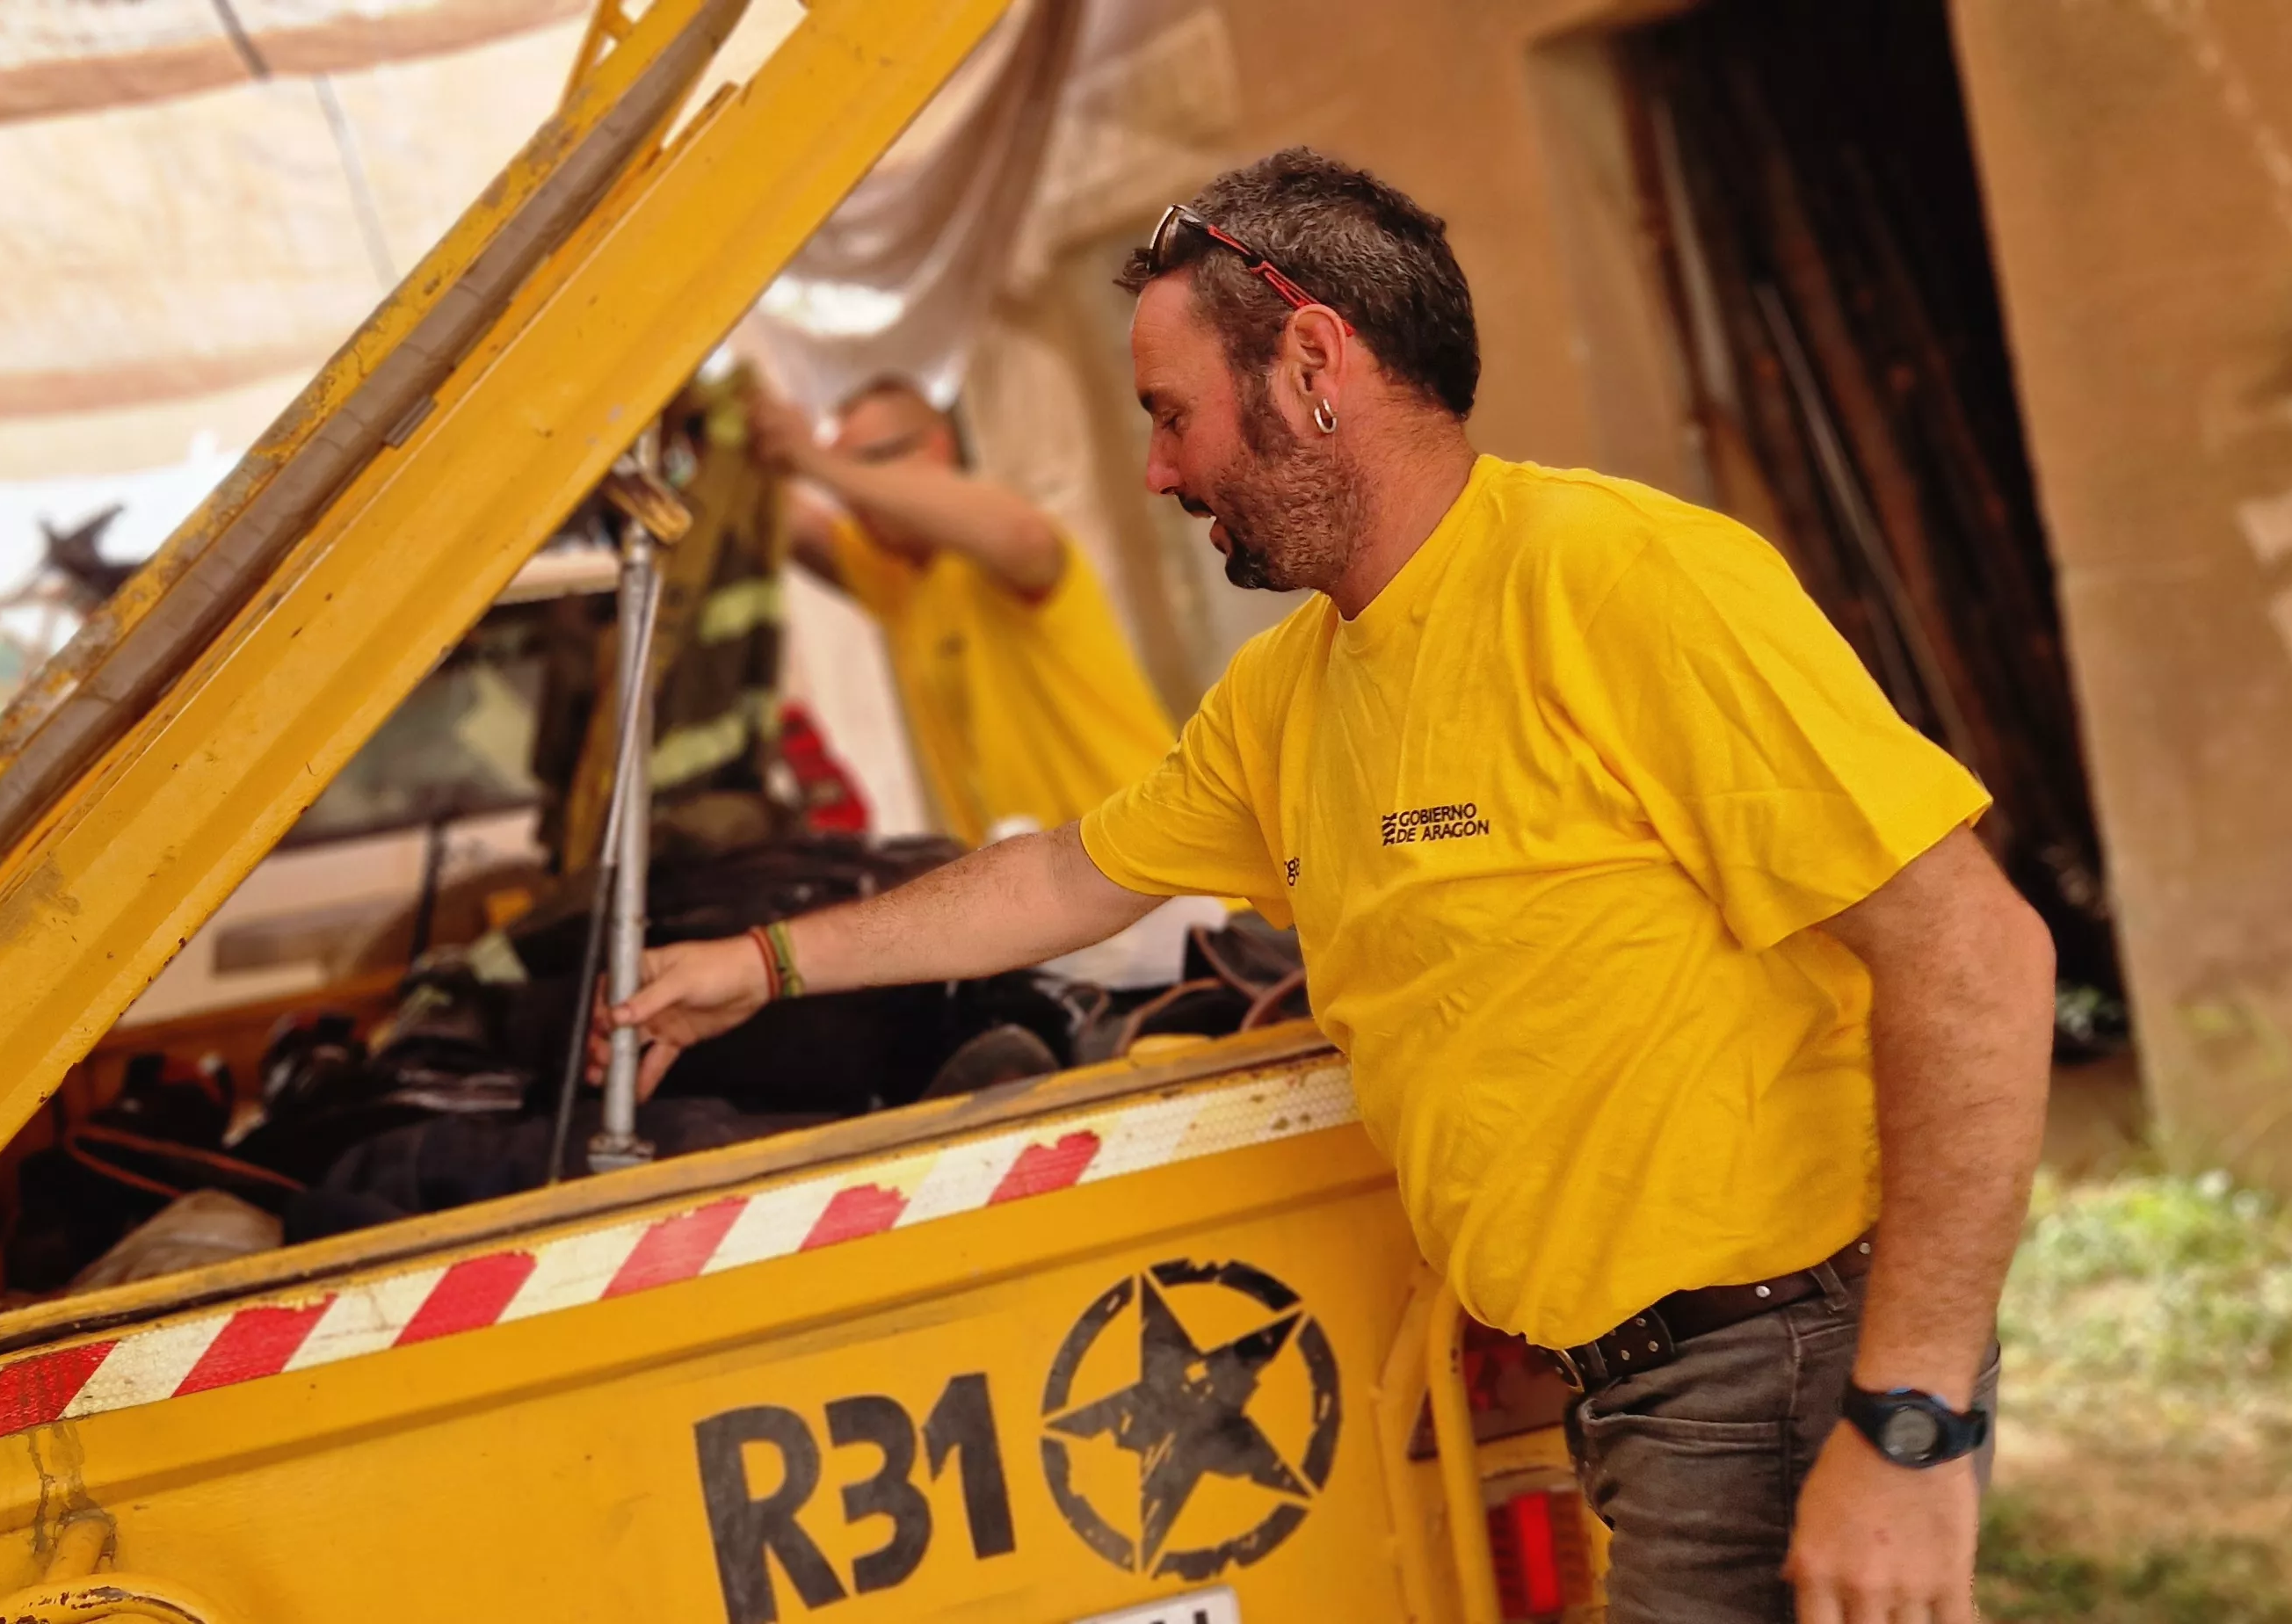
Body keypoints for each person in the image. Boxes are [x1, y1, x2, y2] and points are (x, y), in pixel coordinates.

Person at [617, 149, 2053, 1624]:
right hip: (1645, 1385)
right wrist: (765, 964)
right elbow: (1061, 876)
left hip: (1776, 1367)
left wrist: (1909, 1424)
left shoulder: (1619, 580)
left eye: (1171, 416)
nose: (1163, 472)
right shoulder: (1290, 693)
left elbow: (1978, 955)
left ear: (1314, 361)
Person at [753, 374, 1177, 847]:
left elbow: (1023, 537)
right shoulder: (897, 577)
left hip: (1157, 871)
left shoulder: (990, 553)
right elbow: (780, 515)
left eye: (872, 464)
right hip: (1071, 892)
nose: (858, 494)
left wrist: (819, 465)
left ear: (937, 447)